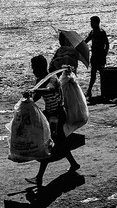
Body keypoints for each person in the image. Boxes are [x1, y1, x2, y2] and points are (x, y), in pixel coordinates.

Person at [26, 55, 80, 188]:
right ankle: (74, 164)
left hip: (58, 116)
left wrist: (35, 89)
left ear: (41, 67)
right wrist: (28, 98)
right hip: (51, 115)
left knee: (48, 144)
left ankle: (39, 177)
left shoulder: (51, 79)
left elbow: (50, 89)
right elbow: (37, 97)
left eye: (34, 68)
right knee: (59, 142)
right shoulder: (41, 80)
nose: (33, 71)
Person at [84, 16, 109, 100]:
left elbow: (107, 44)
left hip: (100, 56)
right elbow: (86, 41)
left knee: (102, 74)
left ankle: (103, 92)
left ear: (97, 23)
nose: (91, 24)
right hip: (94, 56)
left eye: (92, 22)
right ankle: (89, 91)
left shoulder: (101, 32)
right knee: (93, 74)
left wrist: (104, 54)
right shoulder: (92, 32)